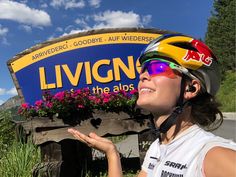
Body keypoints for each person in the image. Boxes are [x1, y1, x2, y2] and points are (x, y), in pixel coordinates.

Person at [68, 33, 236, 177]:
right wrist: (112, 153)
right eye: (144, 69)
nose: (143, 76)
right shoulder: (157, 148)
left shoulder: (209, 153)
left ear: (190, 88)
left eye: (158, 67)